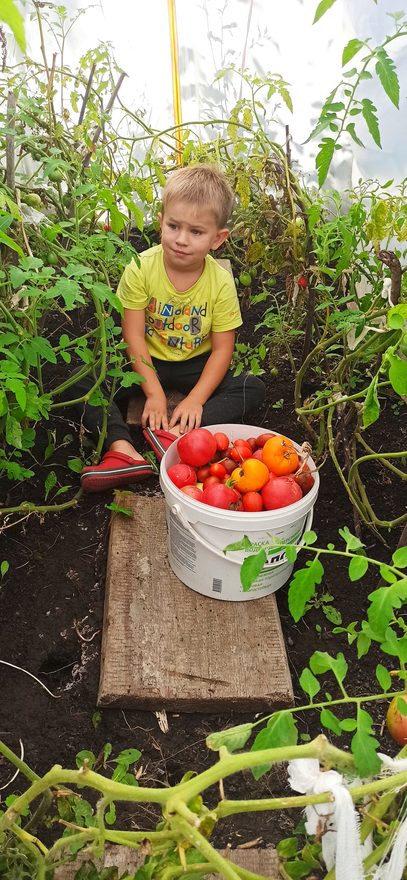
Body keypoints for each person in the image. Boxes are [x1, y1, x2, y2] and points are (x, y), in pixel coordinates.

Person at [75, 164, 265, 492]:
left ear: (218, 239)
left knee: (253, 388)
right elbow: (132, 334)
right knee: (81, 380)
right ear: (161, 221)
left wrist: (195, 400)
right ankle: (123, 449)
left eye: (196, 232)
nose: (181, 240)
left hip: (195, 365)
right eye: (174, 226)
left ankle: (176, 436)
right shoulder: (140, 268)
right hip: (145, 361)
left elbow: (222, 349)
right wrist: (153, 391)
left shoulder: (219, 281)